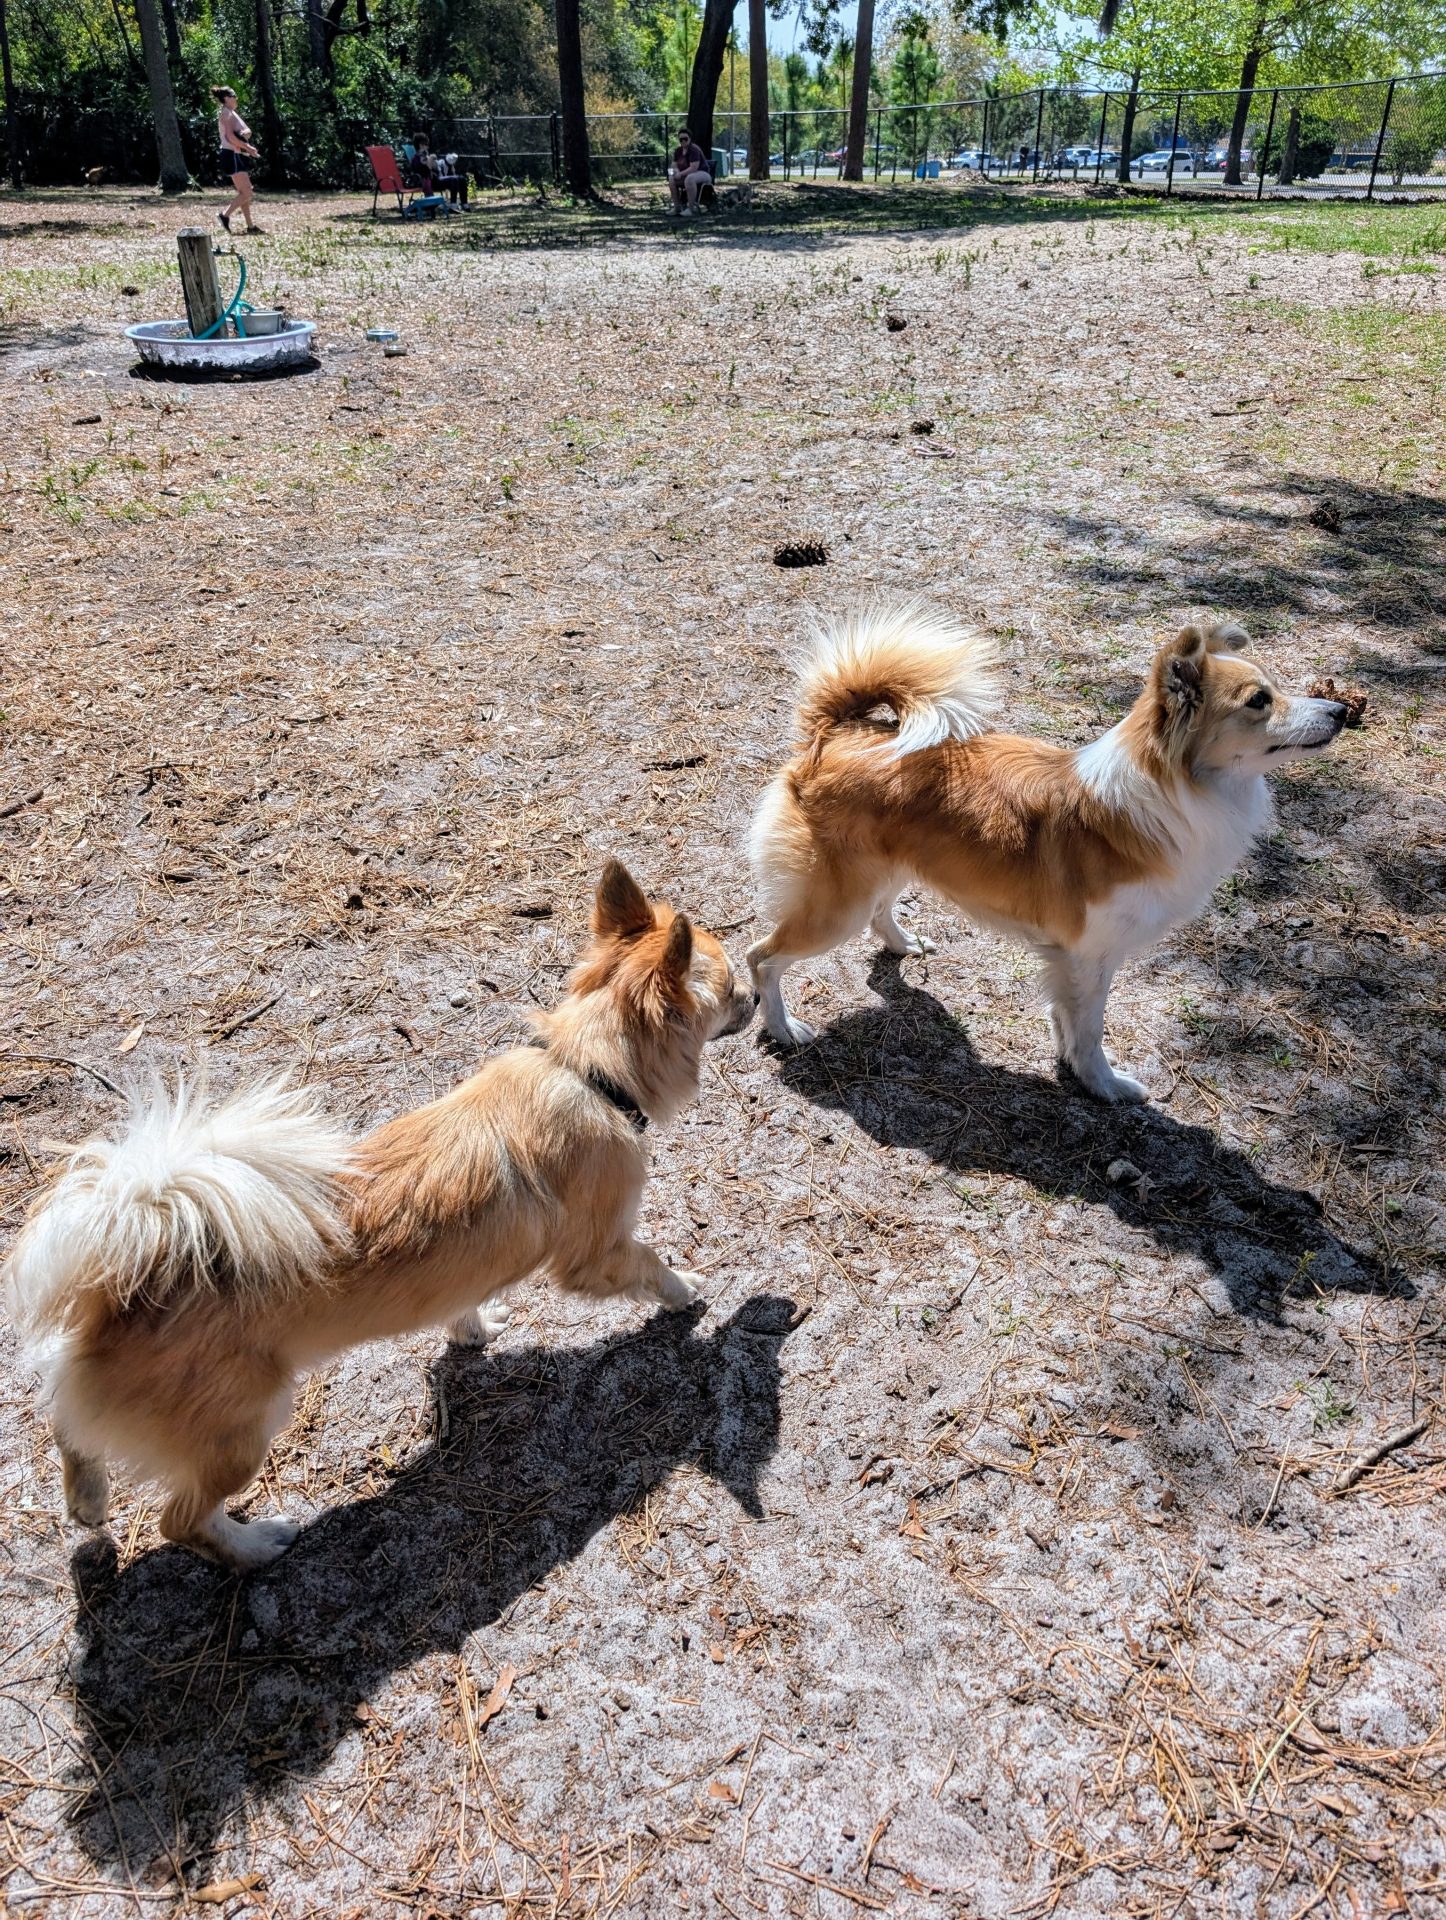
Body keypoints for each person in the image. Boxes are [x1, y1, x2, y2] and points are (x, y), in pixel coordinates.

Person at [214, 86, 262, 234]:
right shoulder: (227, 113)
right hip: (231, 154)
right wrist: (248, 148)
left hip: (234, 154)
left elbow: (237, 134)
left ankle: (250, 227)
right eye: (234, 96)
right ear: (226, 98)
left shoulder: (229, 112)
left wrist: (245, 137)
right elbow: (230, 137)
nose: (236, 98)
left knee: (244, 192)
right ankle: (224, 215)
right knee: (247, 193)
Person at [413, 135, 468, 207]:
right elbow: (428, 169)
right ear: (421, 145)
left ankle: (465, 204)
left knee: (462, 179)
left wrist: (432, 160)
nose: (428, 147)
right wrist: (431, 158)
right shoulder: (417, 158)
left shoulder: (425, 156)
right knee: (453, 179)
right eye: (426, 145)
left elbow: (435, 167)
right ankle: (453, 204)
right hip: (431, 182)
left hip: (437, 178)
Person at [667, 129, 711, 216]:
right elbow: (674, 165)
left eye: (685, 139)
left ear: (690, 139)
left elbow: (693, 168)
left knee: (689, 179)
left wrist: (680, 174)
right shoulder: (678, 150)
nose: (683, 141)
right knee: (671, 179)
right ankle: (677, 207)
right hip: (686, 174)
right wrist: (676, 171)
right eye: (681, 139)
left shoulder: (694, 149)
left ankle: (690, 208)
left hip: (702, 173)